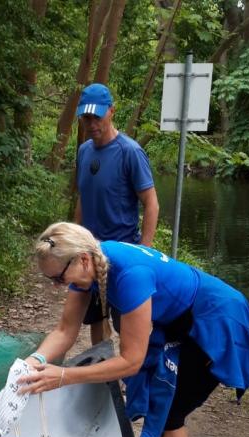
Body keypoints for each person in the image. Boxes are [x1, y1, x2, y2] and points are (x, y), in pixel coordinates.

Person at [19, 222, 249, 437]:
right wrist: (34, 362)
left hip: (213, 320)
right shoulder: (90, 264)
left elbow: (131, 362)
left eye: (59, 278)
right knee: (165, 409)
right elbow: (64, 331)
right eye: (51, 280)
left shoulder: (129, 276)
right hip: (181, 320)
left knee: (170, 416)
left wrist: (64, 376)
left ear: (82, 259)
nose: (58, 286)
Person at [74, 83, 160, 345]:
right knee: (96, 319)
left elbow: (151, 203)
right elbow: (83, 197)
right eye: (86, 118)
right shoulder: (84, 151)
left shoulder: (130, 152)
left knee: (129, 326)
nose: (91, 124)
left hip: (124, 255)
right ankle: (102, 368)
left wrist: (143, 251)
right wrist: (75, 240)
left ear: (111, 111)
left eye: (97, 117)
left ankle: (135, 367)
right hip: (91, 252)